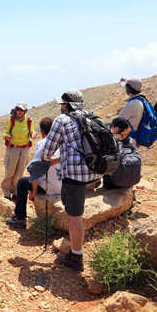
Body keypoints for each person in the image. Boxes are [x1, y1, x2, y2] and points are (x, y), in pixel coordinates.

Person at [41, 90, 102, 271]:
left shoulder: (63, 120)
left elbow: (48, 149)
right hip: (94, 172)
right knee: (78, 214)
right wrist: (61, 158)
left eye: (62, 104)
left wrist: (47, 158)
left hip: (75, 176)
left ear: (66, 105)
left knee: (75, 217)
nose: (61, 107)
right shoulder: (89, 117)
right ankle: (76, 250)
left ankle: (76, 257)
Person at [5, 117, 62, 229]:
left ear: (42, 131)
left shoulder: (42, 144)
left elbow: (36, 169)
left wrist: (34, 191)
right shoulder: (62, 142)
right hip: (62, 186)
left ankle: (19, 218)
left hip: (48, 187)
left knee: (21, 182)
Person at [1, 102, 37, 200]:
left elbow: (31, 131)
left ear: (25, 111)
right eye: (18, 109)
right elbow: (5, 133)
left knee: (20, 171)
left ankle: (16, 191)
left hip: (25, 148)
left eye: (21, 110)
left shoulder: (29, 120)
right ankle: (7, 192)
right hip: (13, 148)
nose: (19, 112)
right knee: (10, 170)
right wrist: (6, 136)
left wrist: (33, 134)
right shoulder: (11, 119)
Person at [103, 116, 142, 190]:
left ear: (116, 129)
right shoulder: (132, 141)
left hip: (113, 184)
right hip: (131, 182)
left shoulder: (112, 141)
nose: (110, 128)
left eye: (111, 126)